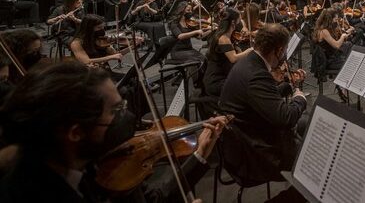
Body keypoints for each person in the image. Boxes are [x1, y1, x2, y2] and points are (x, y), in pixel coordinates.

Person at [0, 61, 226, 202]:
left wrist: (199, 155)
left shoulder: (91, 164)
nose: (127, 117)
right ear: (75, 132)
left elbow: (153, 199)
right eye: (116, 110)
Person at [218, 23, 307, 182]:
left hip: (248, 135)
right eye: (284, 50)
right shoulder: (257, 74)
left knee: (308, 124)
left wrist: (287, 86)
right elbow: (285, 118)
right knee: (316, 158)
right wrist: (300, 98)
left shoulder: (249, 62)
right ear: (279, 50)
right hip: (255, 154)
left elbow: (261, 100)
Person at [203, 8, 253, 98]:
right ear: (233, 23)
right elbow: (233, 58)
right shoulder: (223, 38)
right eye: (239, 21)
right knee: (247, 89)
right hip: (216, 81)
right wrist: (248, 51)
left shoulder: (229, 36)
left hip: (225, 76)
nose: (241, 24)